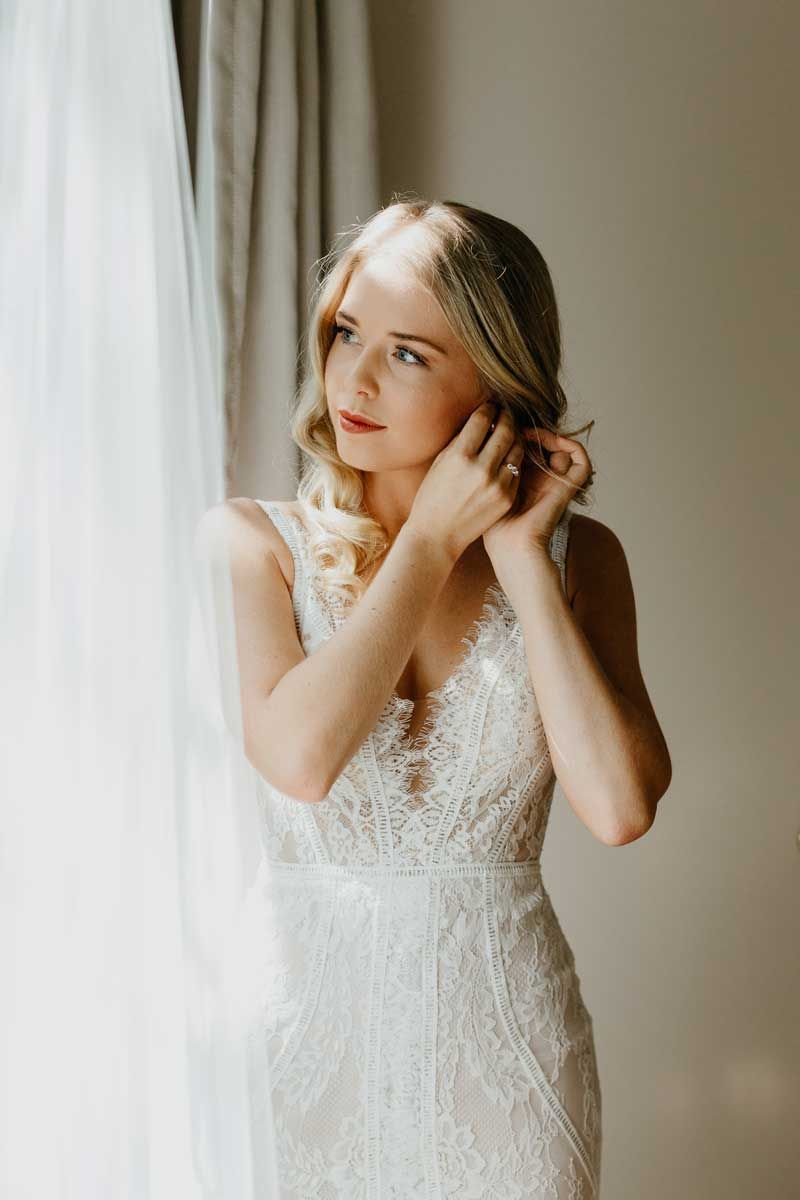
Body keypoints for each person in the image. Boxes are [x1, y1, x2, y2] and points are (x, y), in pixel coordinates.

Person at [206, 198, 672, 1197]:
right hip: (301, 1050)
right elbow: (297, 757)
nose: (353, 380)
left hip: (504, 1062)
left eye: (408, 353)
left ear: (496, 384)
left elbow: (619, 806)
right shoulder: (251, 543)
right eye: (344, 334)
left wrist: (519, 560)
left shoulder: (577, 557)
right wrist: (425, 542)